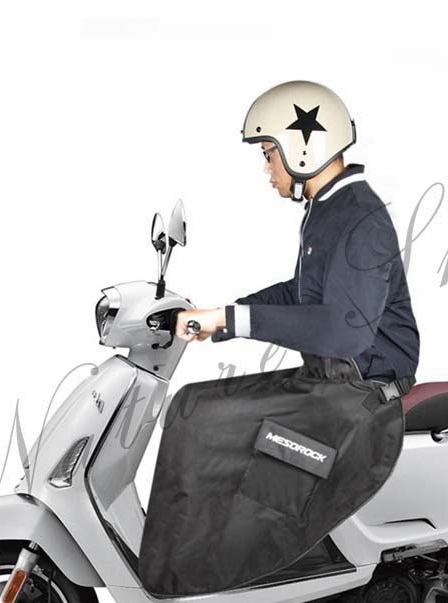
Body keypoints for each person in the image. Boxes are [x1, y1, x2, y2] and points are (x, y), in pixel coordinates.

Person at [175, 80, 419, 388]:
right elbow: (304, 292)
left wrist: (227, 319)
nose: (267, 168)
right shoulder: (330, 207)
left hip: (367, 390)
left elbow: (345, 332)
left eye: (268, 154)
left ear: (300, 150)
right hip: (335, 378)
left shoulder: (360, 219)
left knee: (201, 411)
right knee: (193, 400)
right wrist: (222, 317)